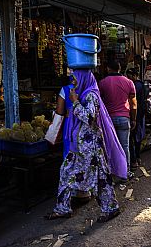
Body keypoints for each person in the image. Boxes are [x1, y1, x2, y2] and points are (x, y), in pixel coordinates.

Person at [45, 69, 126, 222]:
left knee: (100, 176)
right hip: (79, 146)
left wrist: (75, 102)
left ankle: (110, 208)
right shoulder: (84, 93)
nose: (73, 82)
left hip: (90, 147)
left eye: (75, 79)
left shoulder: (91, 95)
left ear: (83, 79)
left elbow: (89, 118)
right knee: (66, 172)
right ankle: (63, 208)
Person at [55, 70, 91, 201]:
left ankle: (72, 192)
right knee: (84, 157)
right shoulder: (90, 90)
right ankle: (84, 190)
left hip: (70, 129)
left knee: (69, 158)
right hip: (86, 130)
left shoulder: (65, 90)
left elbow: (59, 112)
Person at [99, 59, 137, 176]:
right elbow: (133, 104)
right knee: (124, 146)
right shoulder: (129, 82)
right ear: (119, 69)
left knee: (109, 146)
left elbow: (99, 102)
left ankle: (110, 172)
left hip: (108, 120)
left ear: (108, 69)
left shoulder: (102, 83)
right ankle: (126, 172)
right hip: (124, 118)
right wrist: (134, 118)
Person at [126, 68, 148, 169]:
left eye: (129, 76)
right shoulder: (142, 85)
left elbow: (133, 102)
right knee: (137, 136)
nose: (128, 78)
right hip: (140, 113)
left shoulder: (135, 85)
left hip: (135, 113)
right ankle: (137, 157)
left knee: (132, 137)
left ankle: (134, 158)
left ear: (134, 75)